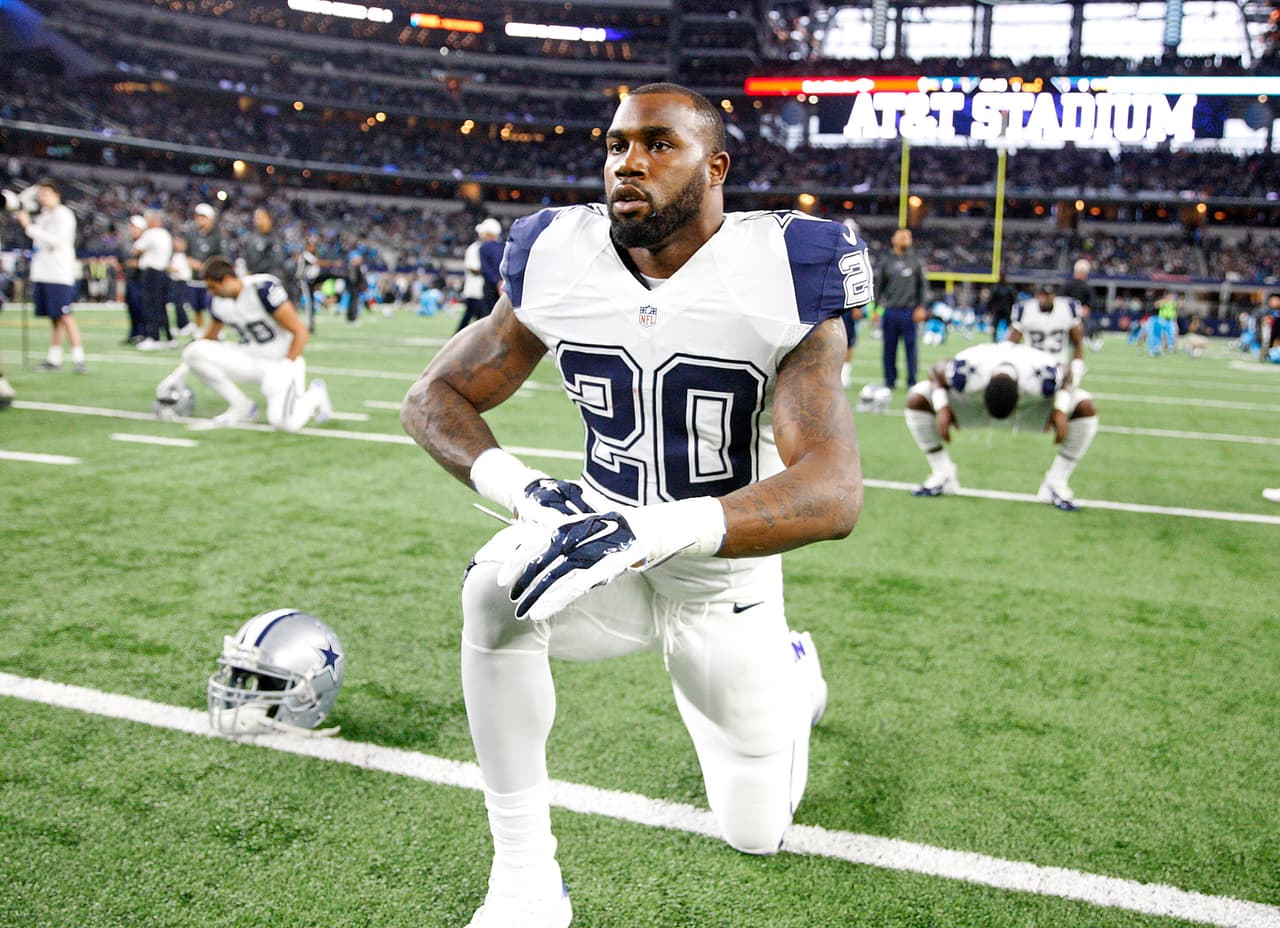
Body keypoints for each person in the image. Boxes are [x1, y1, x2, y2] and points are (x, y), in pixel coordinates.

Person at [400, 82, 871, 928]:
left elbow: (834, 491)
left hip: (722, 579)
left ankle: (795, 676)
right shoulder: (557, 250)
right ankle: (524, 881)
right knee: (493, 589)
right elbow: (432, 398)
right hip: (599, 545)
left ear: (715, 167)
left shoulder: (788, 267)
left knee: (755, 833)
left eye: (659, 144)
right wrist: (530, 494)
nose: (629, 162)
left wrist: (648, 533)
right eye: (617, 144)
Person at [904, 340, 1098, 511]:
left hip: (1030, 407)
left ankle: (1056, 482)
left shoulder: (1041, 375)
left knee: (1084, 404)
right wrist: (942, 406)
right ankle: (942, 474)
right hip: (975, 404)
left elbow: (1065, 372)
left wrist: (1060, 409)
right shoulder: (969, 370)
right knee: (918, 395)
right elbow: (937, 368)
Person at [162, 255, 332, 430]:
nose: (211, 292)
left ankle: (316, 393)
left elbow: (300, 332)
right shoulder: (218, 302)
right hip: (251, 357)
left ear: (227, 279)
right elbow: (208, 339)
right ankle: (242, 406)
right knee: (194, 352)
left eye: (213, 286)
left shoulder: (261, 288)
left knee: (284, 424)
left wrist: (287, 365)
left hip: (281, 362)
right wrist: (179, 373)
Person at [15, 179, 87, 373]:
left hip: (58, 273)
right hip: (45, 273)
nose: (42, 197)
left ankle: (79, 359)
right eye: (41, 194)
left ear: (57, 195)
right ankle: (53, 358)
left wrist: (29, 227)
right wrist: (35, 188)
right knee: (55, 319)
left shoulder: (63, 214)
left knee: (65, 315)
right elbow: (20, 201)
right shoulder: (45, 215)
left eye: (47, 193)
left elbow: (58, 241)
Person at [1007, 282, 1087, 393]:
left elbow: (1078, 342)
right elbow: (1010, 344)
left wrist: (1076, 368)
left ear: (1055, 296)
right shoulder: (1024, 309)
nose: (1045, 299)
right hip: (1032, 365)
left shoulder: (1068, 308)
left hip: (1058, 364)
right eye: (1042, 295)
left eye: (1048, 295)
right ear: (1037, 296)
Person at [873, 227, 927, 390]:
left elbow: (922, 287)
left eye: (908, 237)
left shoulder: (916, 261)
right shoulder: (886, 261)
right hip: (890, 311)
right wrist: (875, 309)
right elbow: (878, 287)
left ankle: (912, 381)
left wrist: (921, 307)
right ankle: (889, 381)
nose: (905, 239)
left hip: (909, 311)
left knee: (911, 349)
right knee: (889, 348)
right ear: (894, 239)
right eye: (902, 236)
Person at [185, 202, 229, 332]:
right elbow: (187, 254)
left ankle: (215, 332)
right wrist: (191, 262)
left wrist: (207, 266)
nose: (200, 220)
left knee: (213, 307)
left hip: (211, 279)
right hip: (195, 277)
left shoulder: (218, 235)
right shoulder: (192, 234)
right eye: (198, 217)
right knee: (196, 307)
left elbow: (222, 257)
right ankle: (199, 332)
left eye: (203, 217)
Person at [133, 209, 174, 349]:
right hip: (162, 273)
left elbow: (136, 249)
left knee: (150, 305)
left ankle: (153, 337)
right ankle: (168, 337)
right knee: (161, 306)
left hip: (151, 273)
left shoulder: (150, 233)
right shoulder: (166, 234)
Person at [456, 218, 503, 333]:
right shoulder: (478, 247)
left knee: (479, 319)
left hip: (482, 290)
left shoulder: (480, 247)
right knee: (478, 319)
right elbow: (474, 269)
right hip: (477, 290)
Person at [1062, 258, 1102, 351]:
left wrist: (1085, 309)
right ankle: (1086, 339)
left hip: (1076, 313)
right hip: (1070, 313)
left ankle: (1086, 339)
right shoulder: (1082, 286)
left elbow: (1090, 302)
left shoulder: (1070, 284)